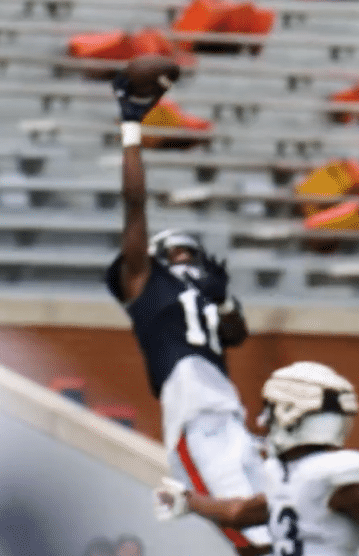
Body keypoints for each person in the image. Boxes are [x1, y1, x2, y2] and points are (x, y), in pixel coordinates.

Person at [107, 68, 268, 555]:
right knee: (252, 538)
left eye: (189, 252)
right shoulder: (145, 282)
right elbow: (135, 205)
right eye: (172, 253)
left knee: (283, 528)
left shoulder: (207, 292)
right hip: (196, 421)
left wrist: (224, 299)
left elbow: (237, 334)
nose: (183, 258)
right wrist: (131, 130)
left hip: (233, 418)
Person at [154, 362, 359, 556]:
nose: (265, 419)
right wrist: (188, 500)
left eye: (271, 408)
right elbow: (238, 513)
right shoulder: (287, 475)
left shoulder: (330, 479)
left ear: (292, 414)